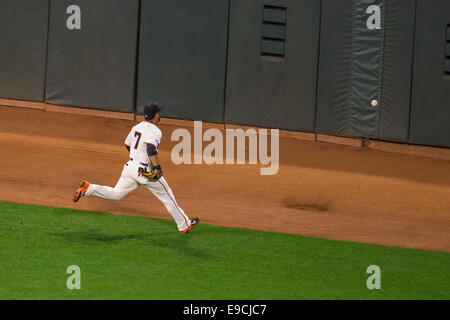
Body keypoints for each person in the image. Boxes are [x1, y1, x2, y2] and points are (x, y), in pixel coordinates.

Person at [72, 103, 199, 234]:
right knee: (167, 196)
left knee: (116, 194)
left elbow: (128, 145)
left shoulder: (136, 127)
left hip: (130, 168)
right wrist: (157, 167)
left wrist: (138, 155)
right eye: (158, 113)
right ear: (155, 115)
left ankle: (89, 188)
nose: (160, 115)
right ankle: (184, 225)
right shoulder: (155, 130)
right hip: (144, 171)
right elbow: (150, 149)